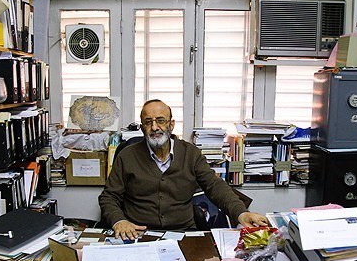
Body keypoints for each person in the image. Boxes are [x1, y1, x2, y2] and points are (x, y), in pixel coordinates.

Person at [99, 99, 270, 240]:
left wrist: (242, 213)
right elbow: (109, 197)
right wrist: (119, 221)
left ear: (171, 124)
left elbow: (214, 186)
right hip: (138, 233)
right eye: (148, 122)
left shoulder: (190, 153)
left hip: (183, 233)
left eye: (160, 120)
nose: (154, 127)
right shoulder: (127, 156)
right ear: (142, 127)